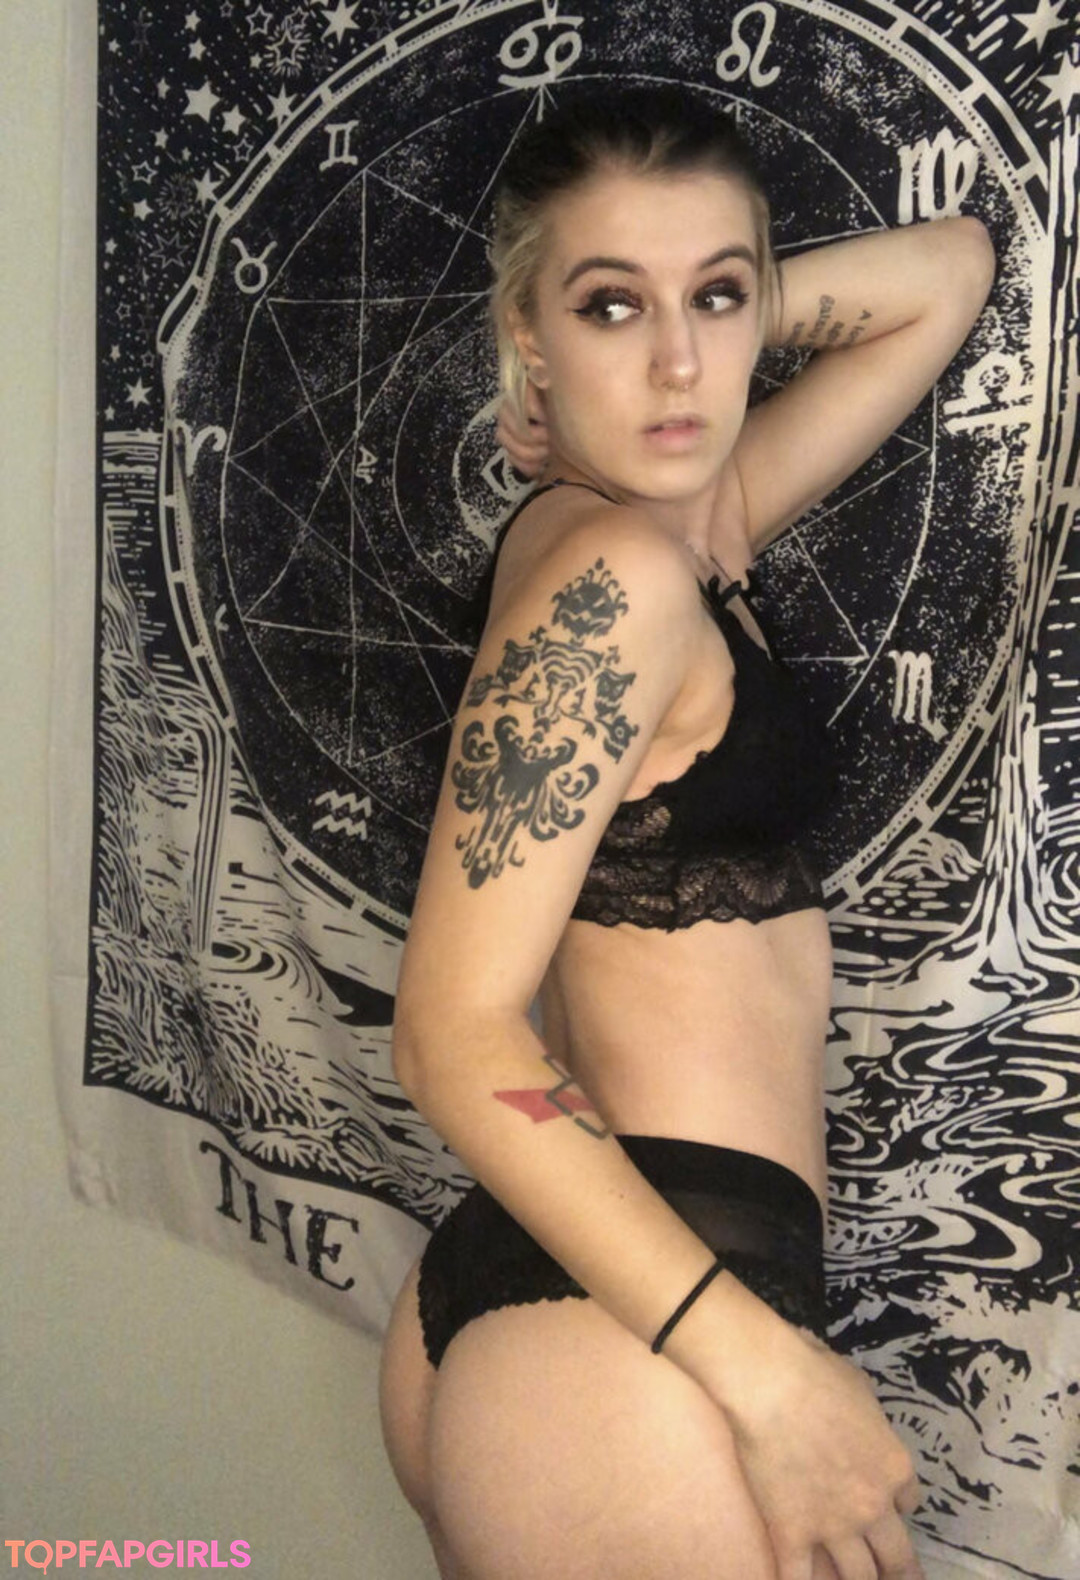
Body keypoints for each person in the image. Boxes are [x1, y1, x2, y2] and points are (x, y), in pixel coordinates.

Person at [378, 86, 994, 1580]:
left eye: (716, 298)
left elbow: (951, 272)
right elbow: (451, 1034)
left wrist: (696, 313)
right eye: (609, 307)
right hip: (651, 1336)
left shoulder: (667, 528)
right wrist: (769, 1379)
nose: (677, 362)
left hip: (597, 1296)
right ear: (528, 337)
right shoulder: (626, 579)